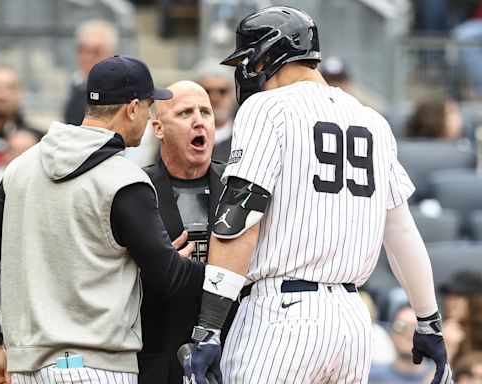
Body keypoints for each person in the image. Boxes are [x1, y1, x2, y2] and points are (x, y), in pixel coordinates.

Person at [183, 6, 453, 384]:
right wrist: (428, 320)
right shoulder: (372, 120)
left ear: (268, 55)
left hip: (280, 316)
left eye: (249, 61)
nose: (247, 71)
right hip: (352, 320)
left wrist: (209, 326)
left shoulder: (267, 108)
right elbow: (402, 233)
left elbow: (239, 220)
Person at [0, 55, 206, 383]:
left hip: (26, 368)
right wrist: (217, 271)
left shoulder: (22, 165)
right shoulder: (123, 177)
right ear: (132, 108)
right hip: (95, 367)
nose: (149, 114)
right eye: (149, 105)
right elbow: (171, 278)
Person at [138, 80, 228, 383]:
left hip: (228, 354)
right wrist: (156, 264)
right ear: (158, 128)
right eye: (185, 112)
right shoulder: (136, 189)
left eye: (206, 112)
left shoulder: (236, 186)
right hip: (157, 355)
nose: (199, 120)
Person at [63, 19, 118, 126]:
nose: (87, 57)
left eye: (96, 51)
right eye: (82, 49)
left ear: (111, 54)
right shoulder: (76, 84)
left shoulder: (121, 92)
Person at [369, 303, 435, 383]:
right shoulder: (372, 377)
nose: (410, 333)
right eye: (401, 326)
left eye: (417, 328)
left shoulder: (443, 375)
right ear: (391, 333)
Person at [194, 58, 236, 163]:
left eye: (222, 91)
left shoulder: (247, 136)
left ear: (233, 94)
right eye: (207, 91)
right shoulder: (181, 136)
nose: (215, 98)